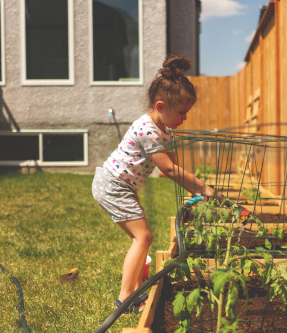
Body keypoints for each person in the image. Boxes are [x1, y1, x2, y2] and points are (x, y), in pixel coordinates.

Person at [92, 55, 214, 313]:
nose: (184, 118)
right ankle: (125, 298)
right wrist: (201, 187)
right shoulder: (147, 129)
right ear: (160, 105)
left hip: (121, 187)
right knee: (143, 236)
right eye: (182, 112)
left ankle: (137, 291)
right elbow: (168, 168)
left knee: (141, 239)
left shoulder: (163, 130)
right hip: (113, 186)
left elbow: (172, 163)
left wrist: (192, 184)